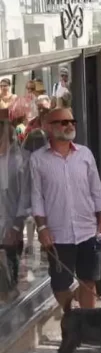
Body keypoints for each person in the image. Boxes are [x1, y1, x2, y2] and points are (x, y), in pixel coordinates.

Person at [30, 107, 101, 312]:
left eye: (72, 122)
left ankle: (88, 325)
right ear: (49, 127)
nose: (70, 125)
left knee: (88, 281)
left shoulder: (85, 154)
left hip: (87, 230)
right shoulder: (38, 159)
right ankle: (73, 316)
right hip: (58, 233)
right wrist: (42, 228)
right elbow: (36, 197)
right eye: (64, 122)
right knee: (59, 284)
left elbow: (96, 190)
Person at [0, 121, 29, 305]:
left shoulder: (18, 162)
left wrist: (17, 225)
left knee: (10, 265)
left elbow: (24, 197)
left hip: (11, 224)